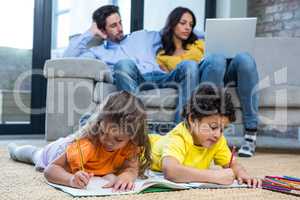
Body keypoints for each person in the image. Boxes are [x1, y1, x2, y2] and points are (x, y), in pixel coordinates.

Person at [63, 5, 223, 125]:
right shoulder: (98, 52)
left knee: (189, 65)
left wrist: (209, 33)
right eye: (113, 26)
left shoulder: (143, 36)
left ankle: (183, 127)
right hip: (134, 80)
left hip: (160, 76)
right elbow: (68, 58)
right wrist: (90, 33)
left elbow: (177, 29)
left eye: (120, 23)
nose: (120, 28)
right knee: (123, 64)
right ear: (103, 30)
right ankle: (137, 125)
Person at [156, 7, 259, 157]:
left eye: (191, 25)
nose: (187, 28)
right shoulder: (163, 55)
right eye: (183, 23)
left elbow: (216, 52)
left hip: (219, 71)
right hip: (200, 81)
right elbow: (173, 77)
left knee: (244, 58)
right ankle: (211, 128)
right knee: (215, 59)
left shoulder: (198, 44)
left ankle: (251, 133)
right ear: (172, 24)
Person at [8, 91, 151, 191]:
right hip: (55, 151)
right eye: (103, 132)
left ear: (132, 137)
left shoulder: (131, 146)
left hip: (90, 163)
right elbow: (51, 170)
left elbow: (131, 168)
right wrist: (70, 179)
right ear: (99, 123)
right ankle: (14, 149)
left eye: (118, 139)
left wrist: (127, 176)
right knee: (33, 154)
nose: (108, 141)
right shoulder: (86, 145)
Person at [149, 84, 261, 187]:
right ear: (192, 119)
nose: (218, 134)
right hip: (144, 146)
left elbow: (233, 164)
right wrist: (214, 176)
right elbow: (170, 171)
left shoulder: (217, 140)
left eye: (222, 129)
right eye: (213, 127)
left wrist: (242, 173)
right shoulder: (178, 138)